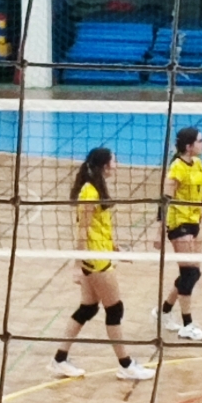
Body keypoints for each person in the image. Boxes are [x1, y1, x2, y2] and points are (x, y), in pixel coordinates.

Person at [48, 147, 154, 381]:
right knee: (114, 309)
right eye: (114, 160)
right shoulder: (89, 192)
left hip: (99, 254)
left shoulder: (96, 187)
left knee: (88, 308)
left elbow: (99, 226)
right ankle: (126, 365)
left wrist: (116, 248)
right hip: (95, 260)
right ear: (105, 165)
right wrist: (77, 265)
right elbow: (83, 230)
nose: (117, 164)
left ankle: (59, 360)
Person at [153, 127, 202, 341]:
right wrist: (158, 232)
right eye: (200, 141)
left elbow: (201, 196)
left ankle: (164, 311)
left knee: (193, 272)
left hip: (193, 221)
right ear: (188, 146)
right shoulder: (177, 168)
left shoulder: (198, 164)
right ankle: (187, 325)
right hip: (178, 222)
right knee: (189, 273)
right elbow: (164, 202)